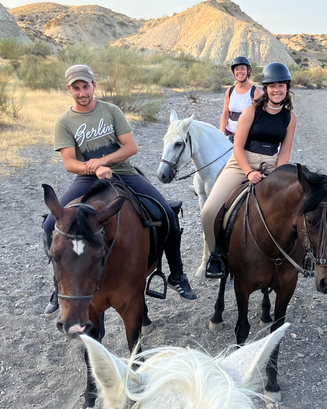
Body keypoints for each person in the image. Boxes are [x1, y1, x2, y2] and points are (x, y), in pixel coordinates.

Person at [43, 64, 196, 316]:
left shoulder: (111, 111)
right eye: (76, 88)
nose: (82, 92)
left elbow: (130, 147)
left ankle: (177, 273)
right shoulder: (65, 122)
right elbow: (70, 163)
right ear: (69, 89)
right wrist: (92, 169)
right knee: (50, 225)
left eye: (86, 86)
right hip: (86, 179)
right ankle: (59, 283)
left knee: (167, 213)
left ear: (94, 85)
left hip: (124, 172)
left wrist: (103, 162)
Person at [201, 62, 298, 278]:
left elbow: (285, 151)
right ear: (265, 88)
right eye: (272, 86)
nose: (277, 90)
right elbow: (237, 146)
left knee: (295, 205)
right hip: (242, 162)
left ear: (287, 88)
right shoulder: (251, 110)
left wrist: (278, 172)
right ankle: (215, 255)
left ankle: (295, 254)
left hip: (273, 165)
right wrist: (248, 172)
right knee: (209, 211)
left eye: (281, 86)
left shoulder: (290, 118)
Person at [220, 56, 263, 142]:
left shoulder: (255, 92)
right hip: (229, 133)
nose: (239, 72)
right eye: (236, 69)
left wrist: (242, 135)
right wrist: (221, 134)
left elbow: (258, 119)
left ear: (248, 70)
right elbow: (225, 114)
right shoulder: (230, 91)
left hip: (246, 136)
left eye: (242, 69)